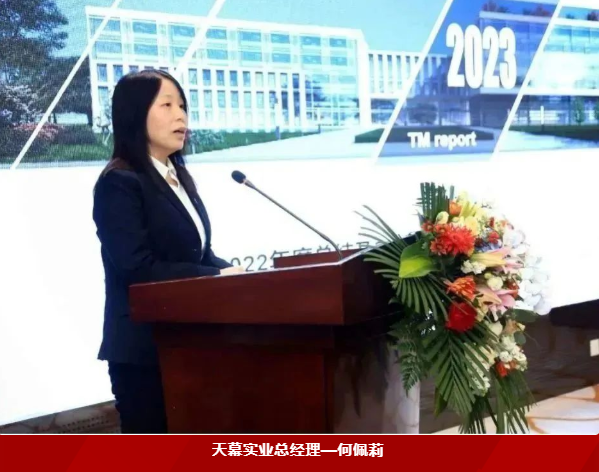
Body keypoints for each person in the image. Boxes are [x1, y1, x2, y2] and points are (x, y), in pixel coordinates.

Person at [92, 69, 242, 433]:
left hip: (187, 341)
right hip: (144, 351)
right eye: (167, 105)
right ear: (135, 113)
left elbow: (198, 254)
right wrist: (215, 276)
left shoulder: (175, 177)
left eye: (183, 106)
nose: (181, 116)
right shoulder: (119, 183)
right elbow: (137, 266)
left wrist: (243, 276)